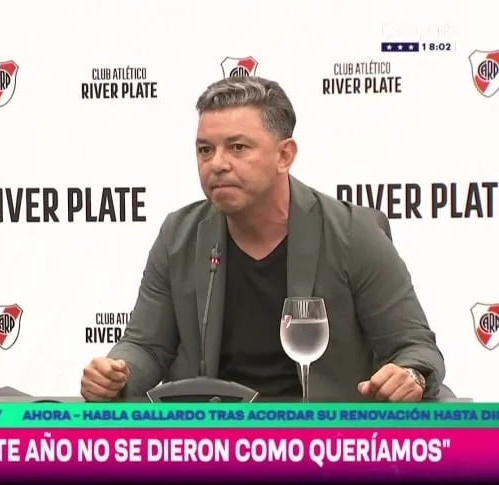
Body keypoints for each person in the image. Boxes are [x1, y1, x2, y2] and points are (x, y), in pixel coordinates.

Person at [80, 76, 447, 403]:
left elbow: (415, 349)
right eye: (205, 150)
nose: (217, 163)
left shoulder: (354, 233)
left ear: (284, 155)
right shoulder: (179, 234)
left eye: (238, 147)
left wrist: (410, 376)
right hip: (213, 440)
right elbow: (147, 346)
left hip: (322, 442)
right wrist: (116, 372)